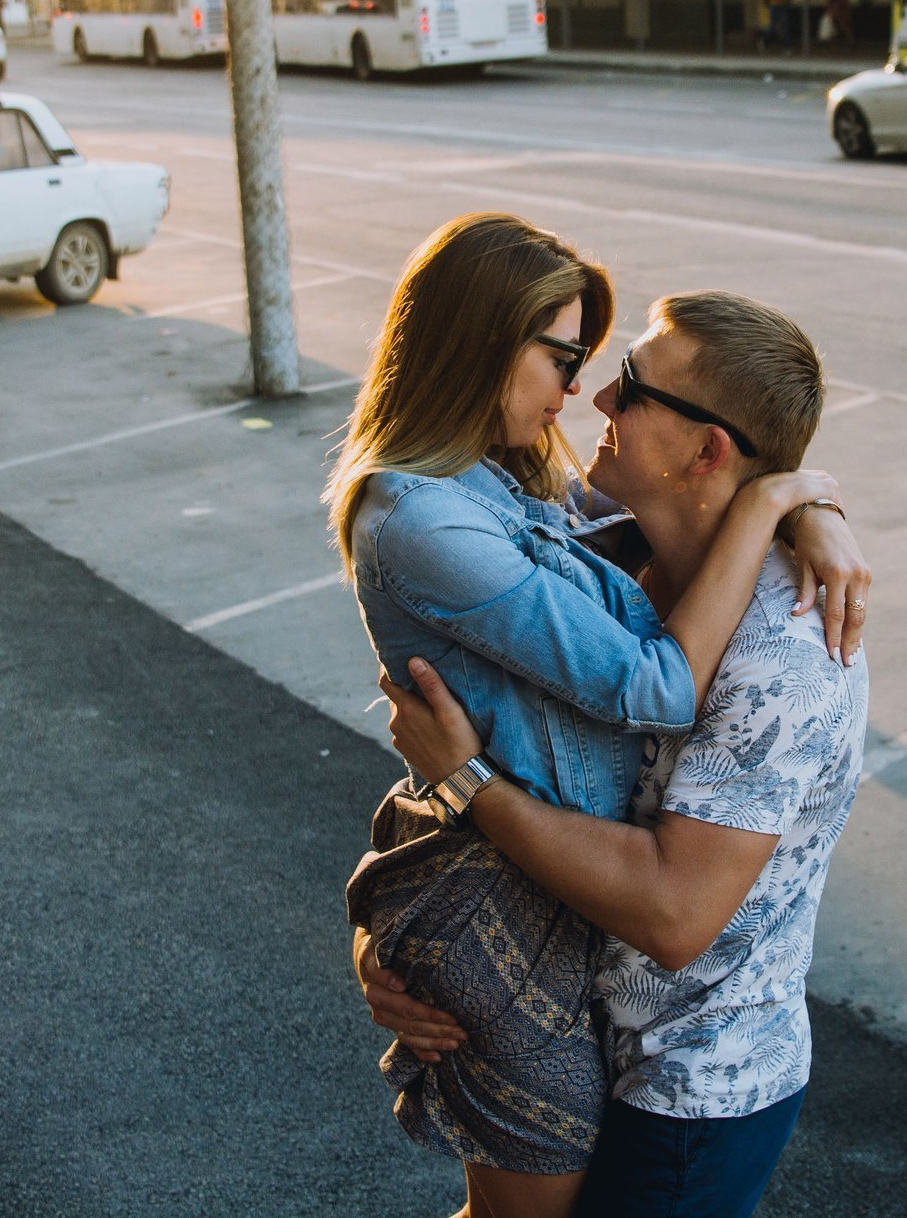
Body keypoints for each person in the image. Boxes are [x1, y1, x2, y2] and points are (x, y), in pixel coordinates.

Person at [333, 217, 870, 1218]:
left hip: (686, 1087)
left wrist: (793, 504)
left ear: (706, 450)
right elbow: (484, 731)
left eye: (629, 380)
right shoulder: (595, 540)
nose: (597, 397)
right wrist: (402, 943)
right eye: (589, 363)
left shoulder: (784, 662)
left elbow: (671, 914)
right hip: (569, 1002)